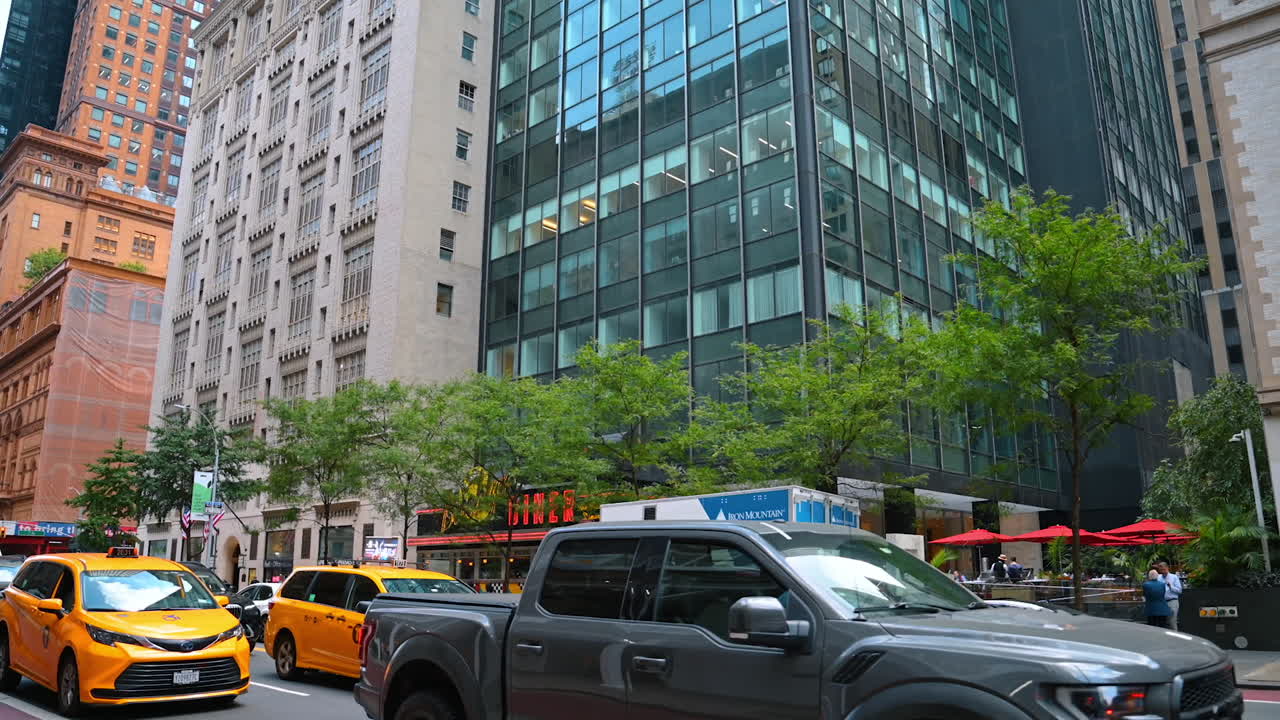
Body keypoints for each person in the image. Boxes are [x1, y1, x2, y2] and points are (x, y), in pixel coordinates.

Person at [1157, 562, 1183, 631]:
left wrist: (1171, 586)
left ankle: (1175, 636)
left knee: (1172, 622)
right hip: (1161, 602)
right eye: (1161, 570)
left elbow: (1179, 590)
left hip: (1172, 602)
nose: (1162, 571)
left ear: (1167, 568)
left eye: (1164, 569)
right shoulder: (1158, 577)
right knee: (1162, 623)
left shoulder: (1174, 577)